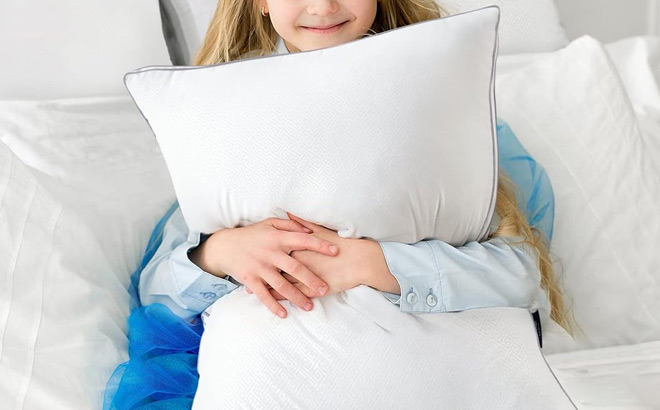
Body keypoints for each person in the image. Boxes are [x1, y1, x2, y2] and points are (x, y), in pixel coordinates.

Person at [137, 0, 573, 336]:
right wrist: (219, 254)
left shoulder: (441, 105)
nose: (323, 6)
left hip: (423, 352)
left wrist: (371, 263)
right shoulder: (226, 112)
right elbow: (157, 291)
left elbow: (521, 277)